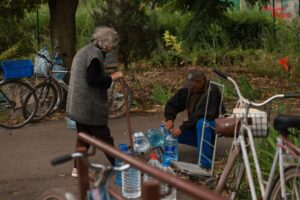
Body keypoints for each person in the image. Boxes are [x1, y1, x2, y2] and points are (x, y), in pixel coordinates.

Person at [66, 26, 122, 177]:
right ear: (106, 42)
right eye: (113, 44)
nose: (113, 47)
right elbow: (93, 80)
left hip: (78, 104)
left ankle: (77, 168)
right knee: (104, 139)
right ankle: (120, 168)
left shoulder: (87, 50)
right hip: (88, 106)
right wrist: (112, 77)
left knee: (84, 137)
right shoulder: (95, 55)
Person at [164, 68, 225, 169]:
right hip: (194, 126)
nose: (190, 88)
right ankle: (166, 158)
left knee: (202, 123)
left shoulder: (212, 91)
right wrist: (169, 119)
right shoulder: (189, 90)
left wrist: (182, 128)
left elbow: (201, 115)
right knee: (166, 132)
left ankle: (205, 164)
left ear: (201, 82)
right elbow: (172, 103)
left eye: (192, 85)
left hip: (210, 128)